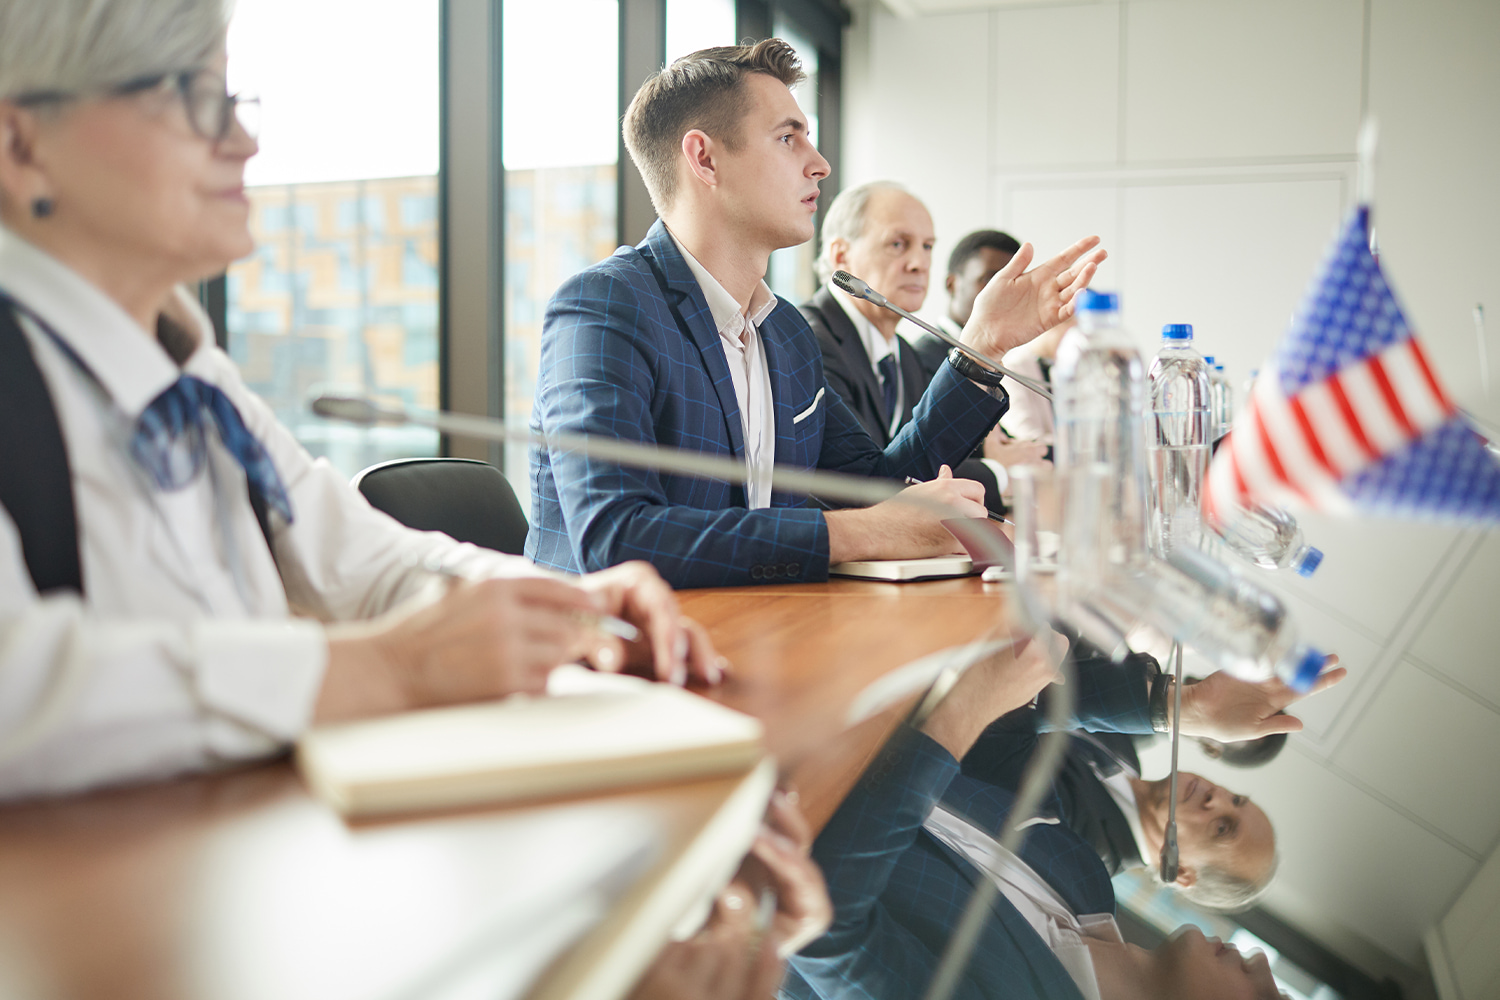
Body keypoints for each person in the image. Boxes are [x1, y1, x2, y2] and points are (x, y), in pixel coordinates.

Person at [0, 0, 722, 803]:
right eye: (190, 99)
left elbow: (367, 563)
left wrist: (554, 607)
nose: (245, 142)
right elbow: (20, 687)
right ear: (21, 145)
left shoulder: (197, 375)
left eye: (235, 103)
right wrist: (390, 667)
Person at [526, 40, 1105, 588]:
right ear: (704, 158)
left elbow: (876, 488)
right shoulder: (604, 307)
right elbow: (616, 538)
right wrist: (863, 532)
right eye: (788, 138)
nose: (820, 164)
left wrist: (983, 345)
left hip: (752, 638)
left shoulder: (784, 333)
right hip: (613, 662)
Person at [785, 630, 1291, 1000]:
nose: (1263, 964)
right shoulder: (1085, 881)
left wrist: (961, 714)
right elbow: (998, 736)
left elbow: (819, 930)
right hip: (809, 714)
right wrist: (1181, 706)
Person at [964, 655, 1342, 911]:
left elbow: (993, 717)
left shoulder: (1078, 848)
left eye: (1222, 827)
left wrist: (1180, 707)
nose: (1216, 798)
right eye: (1236, 799)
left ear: (1179, 871)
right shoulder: (1125, 749)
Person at [800, 184, 1045, 514]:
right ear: (841, 255)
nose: (919, 263)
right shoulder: (807, 340)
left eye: (927, 246)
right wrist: (996, 468)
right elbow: (873, 482)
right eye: (898, 244)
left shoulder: (904, 355)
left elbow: (914, 468)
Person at [909, 227, 1022, 377]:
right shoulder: (919, 360)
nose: (1004, 294)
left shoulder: (1016, 360)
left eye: (1013, 282)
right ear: (952, 285)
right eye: (989, 280)